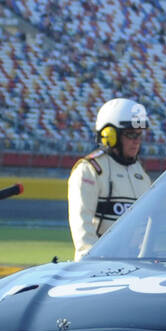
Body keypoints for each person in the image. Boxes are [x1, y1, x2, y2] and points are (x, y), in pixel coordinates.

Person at [68, 98, 153, 259]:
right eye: (130, 134)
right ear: (109, 135)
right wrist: (91, 261)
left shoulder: (141, 173)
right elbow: (82, 225)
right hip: (99, 266)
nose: (136, 141)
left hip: (136, 265)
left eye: (139, 135)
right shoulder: (90, 170)